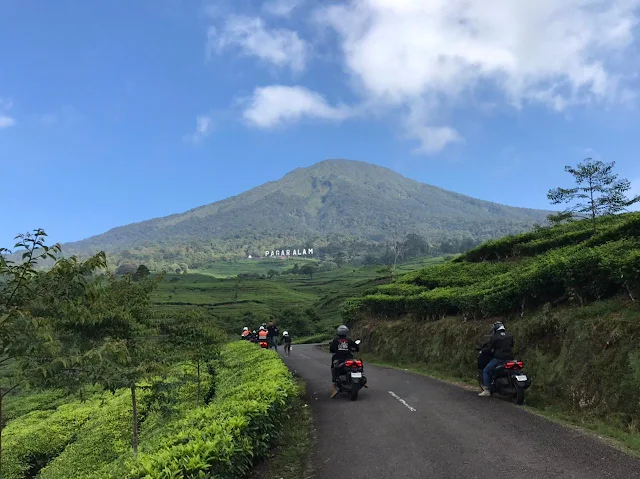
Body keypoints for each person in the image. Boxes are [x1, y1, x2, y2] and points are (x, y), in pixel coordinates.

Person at [479, 321, 514, 397]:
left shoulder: (495, 337)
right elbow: (511, 345)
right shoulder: (509, 335)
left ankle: (487, 390)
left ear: (496, 329)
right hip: (510, 358)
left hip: (499, 359)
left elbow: (489, 348)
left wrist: (482, 351)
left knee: (486, 371)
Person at [329, 325, 360, 398]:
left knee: (334, 368)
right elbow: (357, 347)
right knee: (357, 365)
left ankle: (334, 384)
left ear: (338, 332)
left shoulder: (335, 341)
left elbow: (331, 349)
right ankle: (362, 380)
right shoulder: (349, 340)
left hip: (338, 360)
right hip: (349, 359)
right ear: (346, 332)